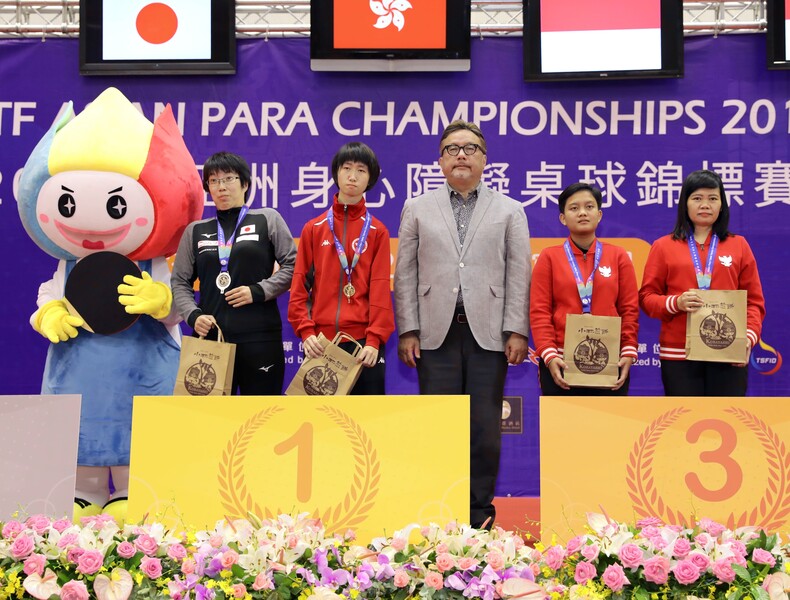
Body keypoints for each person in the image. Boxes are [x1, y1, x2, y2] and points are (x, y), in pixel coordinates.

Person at [393, 120, 531, 529]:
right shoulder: (417, 207)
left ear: (484, 159)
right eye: (451, 149)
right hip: (434, 333)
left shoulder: (510, 210)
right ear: (439, 160)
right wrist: (408, 329)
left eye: (470, 148)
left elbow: (519, 273)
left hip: (488, 331)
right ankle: (439, 509)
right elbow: (405, 273)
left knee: (484, 425)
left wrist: (516, 329)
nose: (461, 155)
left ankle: (478, 512)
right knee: (439, 423)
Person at [171, 151, 297, 395]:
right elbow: (179, 280)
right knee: (210, 423)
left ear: (245, 183)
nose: (222, 187)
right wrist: (193, 315)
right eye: (214, 181)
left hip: (260, 339)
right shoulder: (195, 231)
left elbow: (294, 266)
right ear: (208, 187)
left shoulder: (267, 219)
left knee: (262, 417)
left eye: (229, 179)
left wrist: (260, 290)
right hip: (211, 338)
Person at [639, 169, 765, 396]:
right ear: (685, 204)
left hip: (728, 351)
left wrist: (747, 339)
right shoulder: (663, 246)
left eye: (712, 199)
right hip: (679, 355)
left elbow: (754, 303)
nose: (705, 205)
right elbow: (647, 298)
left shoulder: (739, 245)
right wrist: (676, 303)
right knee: (683, 423)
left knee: (728, 421)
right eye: (697, 198)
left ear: (722, 205)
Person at [288, 142, 394, 394]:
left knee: (366, 426)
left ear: (371, 178)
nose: (352, 176)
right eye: (346, 168)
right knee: (321, 426)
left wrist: (374, 340)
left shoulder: (378, 231)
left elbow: (380, 289)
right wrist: (306, 332)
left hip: (364, 347)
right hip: (321, 343)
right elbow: (300, 285)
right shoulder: (313, 228)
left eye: (361, 170)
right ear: (336, 173)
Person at [530, 182, 639, 395]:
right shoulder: (549, 257)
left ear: (599, 215)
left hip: (609, 360)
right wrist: (550, 356)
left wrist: (627, 351)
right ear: (562, 218)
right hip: (561, 362)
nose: (582, 213)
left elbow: (629, 310)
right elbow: (540, 312)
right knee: (564, 428)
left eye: (589, 207)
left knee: (608, 428)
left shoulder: (618, 256)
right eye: (573, 208)